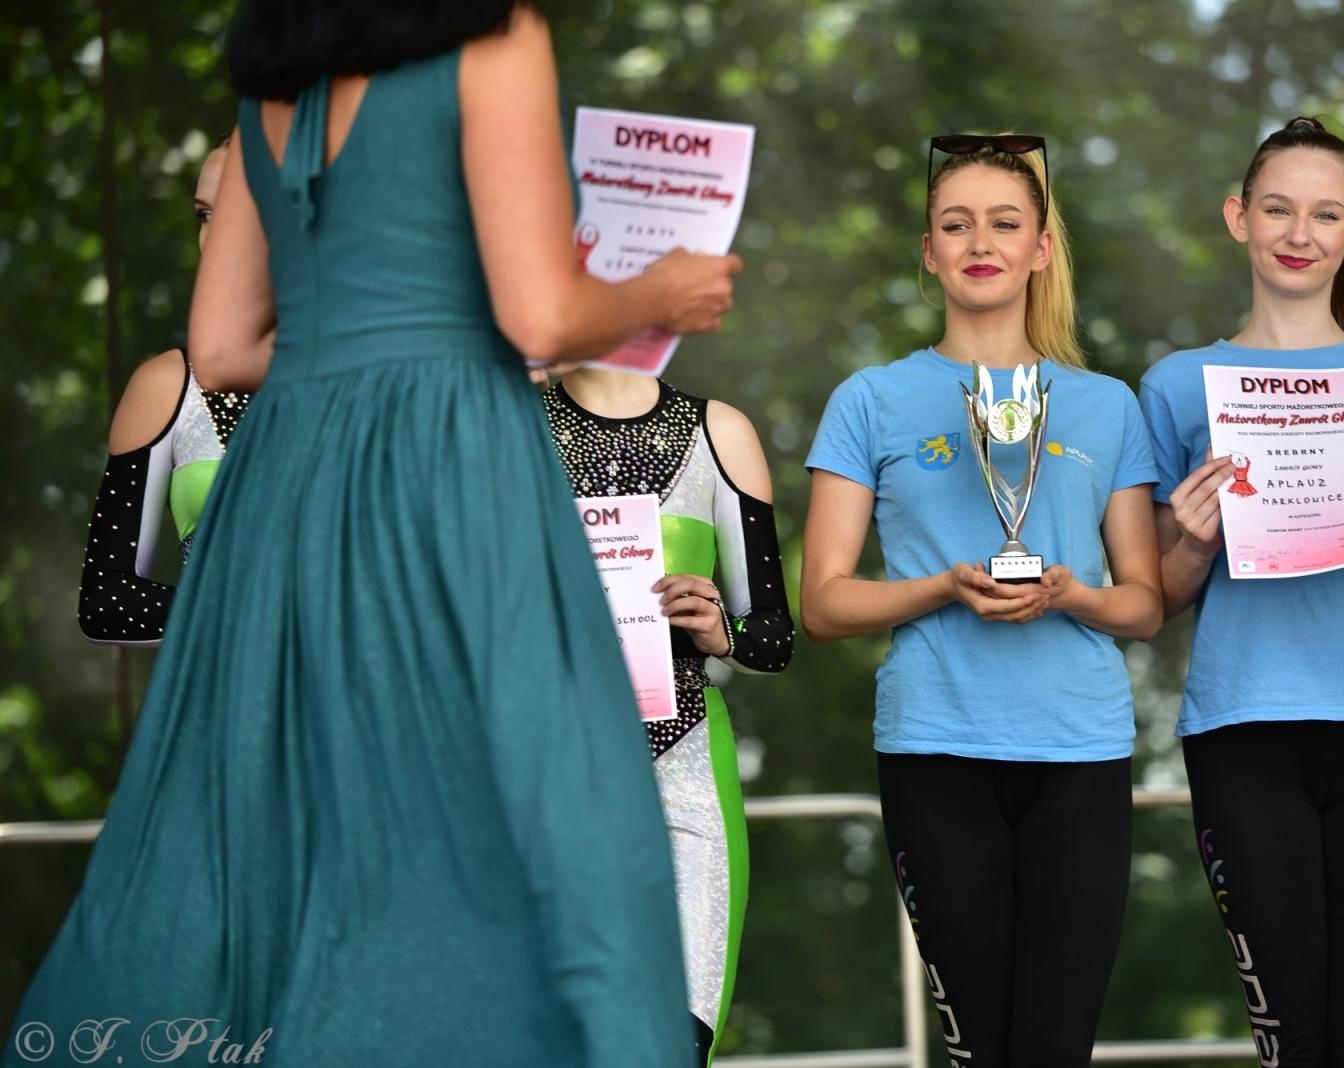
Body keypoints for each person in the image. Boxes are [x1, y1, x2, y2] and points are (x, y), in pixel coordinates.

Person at [5, 2, 743, 1065]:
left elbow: (217, 350)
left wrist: (372, 341)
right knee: (534, 814)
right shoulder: (494, 33)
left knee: (276, 826)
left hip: (286, 482)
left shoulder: (272, 74)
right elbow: (539, 317)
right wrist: (663, 290)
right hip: (448, 471)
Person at [801, 134, 1162, 1066]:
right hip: (935, 747)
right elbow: (824, 604)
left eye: (1005, 222)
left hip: (1080, 749)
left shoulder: (1106, 405)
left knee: (1054, 1048)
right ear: (928, 251)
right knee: (977, 1051)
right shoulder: (871, 400)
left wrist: (1073, 592)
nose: (980, 241)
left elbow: (1145, 607)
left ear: (1042, 247)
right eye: (954, 225)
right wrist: (944, 587)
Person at [1137, 116, 1344, 1067]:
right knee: (1290, 1037)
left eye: (1326, 214)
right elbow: (1156, 596)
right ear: (1238, 218)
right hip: (1243, 729)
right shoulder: (1176, 387)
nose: (1300, 231)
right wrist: (1194, 543)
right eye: (1278, 208)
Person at [541, 364, 794, 1064]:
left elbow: (772, 636)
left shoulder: (721, 430)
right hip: (539, 770)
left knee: (677, 1043)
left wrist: (722, 630)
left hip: (681, 768)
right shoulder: (509, 427)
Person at [78, 136, 254, 646]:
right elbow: (105, 599)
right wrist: (253, 623)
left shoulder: (374, 376)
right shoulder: (171, 385)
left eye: (240, 209)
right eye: (204, 215)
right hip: (232, 696)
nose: (212, 238)